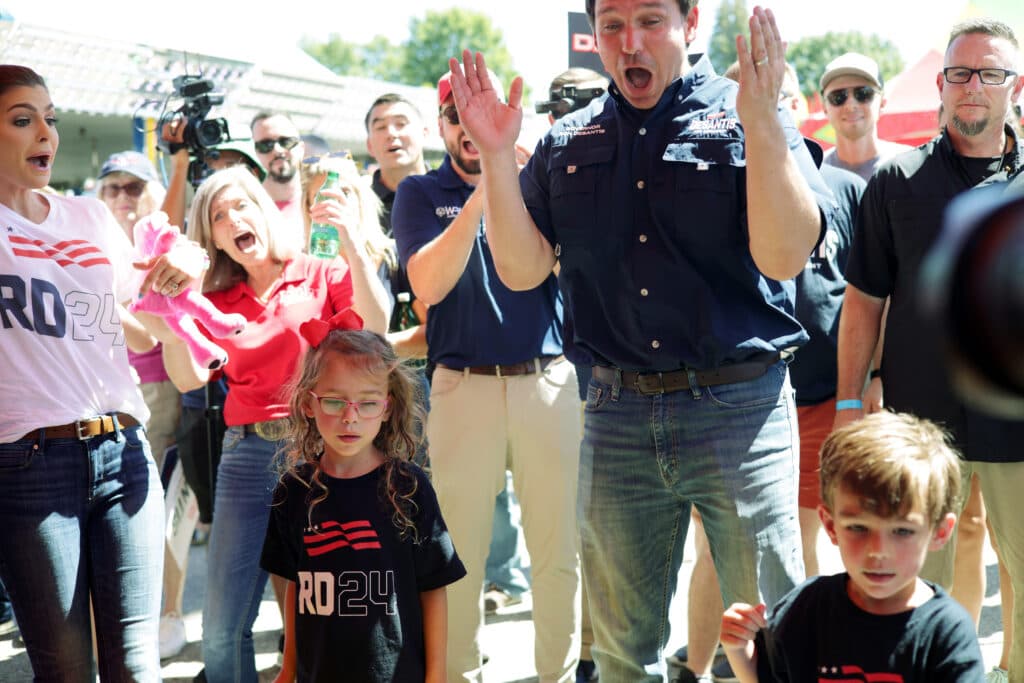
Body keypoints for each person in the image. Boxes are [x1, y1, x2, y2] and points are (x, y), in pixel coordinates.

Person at [446, 1, 835, 679]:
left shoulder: (749, 111)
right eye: (614, 25)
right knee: (624, 652)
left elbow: (785, 255)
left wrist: (764, 126)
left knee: (771, 636)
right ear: (594, 35)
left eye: (651, 20)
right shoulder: (570, 139)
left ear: (690, 24)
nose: (631, 41)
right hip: (617, 413)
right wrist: (500, 158)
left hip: (740, 411)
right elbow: (521, 268)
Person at [834, 18, 1024, 683]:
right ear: (942, 85)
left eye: (991, 73)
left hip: (1018, 426)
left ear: (1016, 86)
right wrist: (850, 403)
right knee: (913, 585)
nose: (974, 87)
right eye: (961, 73)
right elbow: (863, 301)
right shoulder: (895, 180)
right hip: (921, 428)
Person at [146, 165, 389, 682]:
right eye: (218, 215)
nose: (234, 218)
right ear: (209, 236)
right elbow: (190, 379)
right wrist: (170, 314)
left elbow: (377, 328)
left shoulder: (319, 267)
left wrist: (350, 243)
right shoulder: (210, 298)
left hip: (321, 453)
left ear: (264, 209)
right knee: (220, 632)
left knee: (334, 617)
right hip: (245, 454)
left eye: (242, 205)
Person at [0, 63, 203, 680]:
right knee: (64, 670)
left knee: (137, 667)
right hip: (30, 467)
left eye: (51, 119)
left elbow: (138, 305)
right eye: (22, 119)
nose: (46, 134)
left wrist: (184, 267)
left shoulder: (86, 217)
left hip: (123, 451)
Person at [391, 69, 583, 682]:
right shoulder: (419, 192)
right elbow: (427, 283)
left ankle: (559, 674)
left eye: (482, 110)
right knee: (459, 559)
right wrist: (488, 184)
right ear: (443, 124)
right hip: (460, 387)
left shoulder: (541, 179)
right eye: (456, 114)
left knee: (558, 559)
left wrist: (512, 175)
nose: (469, 123)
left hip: (547, 381)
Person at [261, 317, 466, 683]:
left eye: (367, 403)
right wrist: (289, 667)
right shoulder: (292, 491)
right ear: (309, 403)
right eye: (335, 401)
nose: (350, 417)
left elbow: (433, 587)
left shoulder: (409, 486)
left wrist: (437, 676)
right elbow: (295, 587)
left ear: (387, 408)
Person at [720, 411, 984, 682]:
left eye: (902, 531)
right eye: (859, 528)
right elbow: (772, 676)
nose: (878, 550)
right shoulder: (806, 608)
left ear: (940, 532)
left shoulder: (947, 632)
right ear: (831, 526)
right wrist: (740, 651)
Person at [818, 52, 911, 183]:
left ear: (882, 103)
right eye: (838, 96)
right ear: (824, 108)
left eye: (863, 93)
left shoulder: (912, 167)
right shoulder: (814, 175)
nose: (851, 105)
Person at [251, 111, 306, 230]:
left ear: (301, 149)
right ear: (253, 153)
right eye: (265, 145)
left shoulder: (322, 204)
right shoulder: (245, 213)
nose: (277, 150)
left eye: (286, 142)